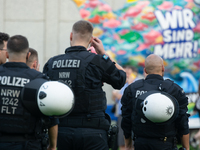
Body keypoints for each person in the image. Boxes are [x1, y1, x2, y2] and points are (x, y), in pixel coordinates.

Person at [43, 20, 126, 150]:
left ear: (71, 36)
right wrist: (103, 54)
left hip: (62, 132)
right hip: (93, 133)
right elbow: (121, 79)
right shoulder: (98, 61)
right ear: (91, 40)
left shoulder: (52, 63)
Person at [0, 35, 58, 150]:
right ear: (28, 55)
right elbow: (52, 117)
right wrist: (52, 146)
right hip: (29, 144)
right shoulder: (40, 80)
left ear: (7, 54)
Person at [121, 54, 190, 150]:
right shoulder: (174, 89)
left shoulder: (132, 89)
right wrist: (186, 147)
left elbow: (126, 120)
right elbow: (183, 122)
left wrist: (128, 146)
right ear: (163, 68)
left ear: (145, 70)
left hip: (141, 144)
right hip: (166, 144)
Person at [112, 66, 138, 150]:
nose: (127, 75)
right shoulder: (123, 84)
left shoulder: (137, 83)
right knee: (121, 140)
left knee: (133, 141)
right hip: (122, 114)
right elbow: (115, 99)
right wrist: (115, 95)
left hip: (133, 115)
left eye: (128, 73)